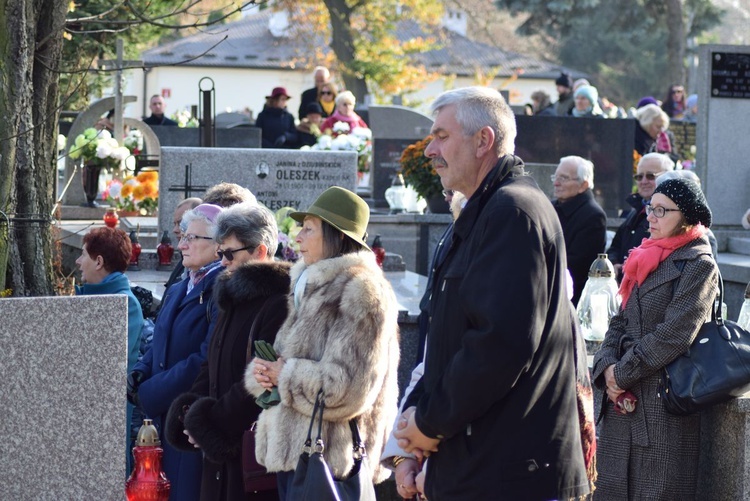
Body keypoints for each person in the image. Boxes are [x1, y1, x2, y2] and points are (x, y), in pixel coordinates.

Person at [392, 86, 589, 500]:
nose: (430, 150)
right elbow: (445, 341)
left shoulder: (512, 212)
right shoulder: (481, 212)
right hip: (479, 463)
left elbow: (500, 345)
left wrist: (429, 425)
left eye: (442, 136)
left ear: (484, 140)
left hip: (510, 473)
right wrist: (415, 438)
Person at [245, 186, 400, 499]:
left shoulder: (362, 290)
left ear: (337, 236)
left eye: (309, 229)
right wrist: (262, 374)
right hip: (302, 456)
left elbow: (350, 390)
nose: (298, 237)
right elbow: (285, 359)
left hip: (332, 463)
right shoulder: (313, 285)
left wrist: (284, 375)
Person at [592, 178, 717, 500]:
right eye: (651, 207)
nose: (651, 216)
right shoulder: (647, 256)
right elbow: (620, 319)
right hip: (624, 400)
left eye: (662, 210)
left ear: (687, 216)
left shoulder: (699, 264)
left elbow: (675, 334)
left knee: (656, 490)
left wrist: (620, 373)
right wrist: (606, 365)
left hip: (661, 403)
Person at [165, 203, 290, 501]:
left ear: (260, 251)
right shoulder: (232, 296)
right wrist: (190, 410)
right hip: (219, 456)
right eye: (220, 253)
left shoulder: (278, 304)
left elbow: (260, 381)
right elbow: (211, 365)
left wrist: (210, 424)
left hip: (250, 458)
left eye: (230, 253)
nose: (222, 262)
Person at [128, 203, 224, 501]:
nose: (182, 244)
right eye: (183, 236)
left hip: (187, 418)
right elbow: (160, 338)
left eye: (192, 238)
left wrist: (151, 391)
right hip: (163, 418)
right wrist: (140, 371)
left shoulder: (220, 289)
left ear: (219, 244)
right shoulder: (181, 286)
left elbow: (204, 359)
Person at [75, 227, 143, 471]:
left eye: (83, 255)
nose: (78, 261)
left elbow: (108, 362)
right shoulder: (92, 297)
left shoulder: (125, 303)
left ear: (99, 261)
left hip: (106, 412)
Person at [607, 153, 675, 280]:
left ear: (667, 177)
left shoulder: (671, 215)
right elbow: (615, 246)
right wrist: (614, 263)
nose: (643, 181)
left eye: (650, 176)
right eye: (639, 176)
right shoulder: (635, 210)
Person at [552, 156, 607, 305]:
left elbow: (577, 266)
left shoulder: (593, 216)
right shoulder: (551, 207)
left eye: (563, 178)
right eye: (555, 177)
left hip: (569, 300)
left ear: (583, 185)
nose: (556, 183)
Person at [163, 198, 203, 293]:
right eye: (175, 224)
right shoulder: (183, 261)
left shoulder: (200, 265)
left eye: (181, 223)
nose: (175, 230)